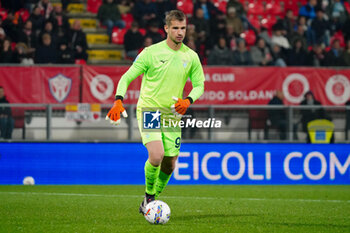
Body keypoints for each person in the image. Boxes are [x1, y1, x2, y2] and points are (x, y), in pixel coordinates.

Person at [105, 10, 204, 214]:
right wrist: (118, 100)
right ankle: (150, 197)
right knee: (157, 156)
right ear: (166, 28)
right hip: (150, 110)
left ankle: (151, 199)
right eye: (175, 28)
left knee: (169, 164)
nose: (179, 32)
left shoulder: (191, 56)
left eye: (183, 28)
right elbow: (126, 77)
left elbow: (199, 85)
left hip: (172, 115)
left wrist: (188, 100)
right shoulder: (150, 52)